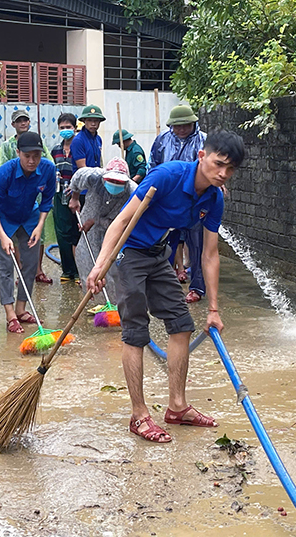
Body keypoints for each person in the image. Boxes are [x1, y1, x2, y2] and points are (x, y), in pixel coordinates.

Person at [87, 130, 246, 443]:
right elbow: (120, 222)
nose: (223, 173)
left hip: (159, 254)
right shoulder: (166, 176)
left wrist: (213, 309)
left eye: (230, 169)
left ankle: (177, 407)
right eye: (218, 164)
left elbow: (210, 255)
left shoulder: (213, 198)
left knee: (181, 324)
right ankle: (139, 415)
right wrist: (101, 264)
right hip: (130, 253)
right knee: (135, 332)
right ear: (202, 156)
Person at [0, 132, 56, 334]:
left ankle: (21, 309)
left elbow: (46, 200)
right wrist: (2, 235)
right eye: (27, 156)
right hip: (4, 219)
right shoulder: (4, 173)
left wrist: (40, 225)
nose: (32, 160)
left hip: (29, 218)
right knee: (6, 266)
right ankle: (10, 314)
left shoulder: (48, 169)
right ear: (18, 153)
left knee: (30, 264)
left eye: (37, 155)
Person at [149, 103, 208, 302]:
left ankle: (197, 288)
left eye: (186, 125)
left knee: (197, 245)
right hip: (168, 199)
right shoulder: (162, 141)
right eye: (177, 126)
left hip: (195, 200)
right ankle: (165, 285)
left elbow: (211, 168)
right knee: (166, 244)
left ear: (193, 123)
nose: (181, 129)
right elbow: (154, 166)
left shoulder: (204, 141)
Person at [0, 108, 53, 284]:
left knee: (37, 235)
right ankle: (21, 270)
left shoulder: (38, 143)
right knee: (17, 236)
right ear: (13, 124)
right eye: (19, 121)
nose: (23, 123)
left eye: (25, 120)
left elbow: (48, 162)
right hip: (13, 197)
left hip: (35, 199)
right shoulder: (7, 146)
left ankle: (36, 270)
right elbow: (2, 169)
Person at [69, 157, 136, 300]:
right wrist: (74, 199)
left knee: (112, 267)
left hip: (114, 229)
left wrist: (97, 221)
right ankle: (91, 298)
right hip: (89, 228)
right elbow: (76, 180)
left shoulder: (133, 190)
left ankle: (113, 302)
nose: (114, 184)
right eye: (111, 181)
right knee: (86, 259)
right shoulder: (92, 176)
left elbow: (129, 219)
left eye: (119, 183)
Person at [51, 113, 81, 283]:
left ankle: (78, 271)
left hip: (77, 194)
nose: (65, 131)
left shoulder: (80, 147)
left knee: (77, 231)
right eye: (62, 128)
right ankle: (67, 270)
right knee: (62, 232)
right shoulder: (55, 149)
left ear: (75, 128)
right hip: (60, 192)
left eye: (68, 127)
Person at [71, 104, 105, 169]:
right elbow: (82, 168)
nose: (93, 124)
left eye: (96, 120)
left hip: (96, 177)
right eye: (89, 120)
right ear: (84, 121)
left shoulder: (98, 139)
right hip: (82, 177)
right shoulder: (78, 140)